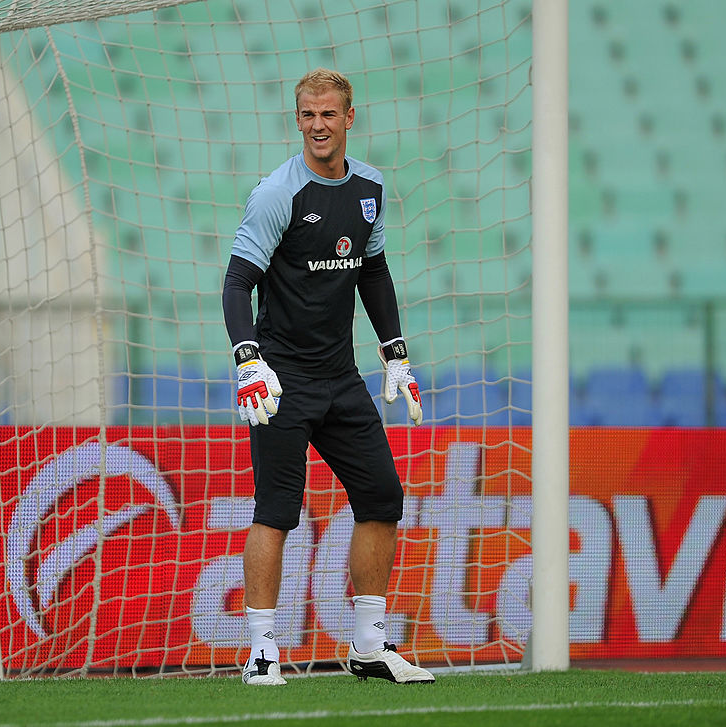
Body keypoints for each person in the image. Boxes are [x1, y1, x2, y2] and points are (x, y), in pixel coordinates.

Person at [221, 68, 433, 686]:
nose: (318, 126)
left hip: (342, 377)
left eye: (329, 115)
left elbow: (374, 271)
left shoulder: (370, 188)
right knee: (278, 510)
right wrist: (248, 357)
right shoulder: (276, 194)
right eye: (308, 115)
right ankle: (262, 651)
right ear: (298, 121)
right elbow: (238, 283)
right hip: (282, 379)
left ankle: (370, 647)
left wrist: (395, 352)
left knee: (382, 498)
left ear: (349, 119)